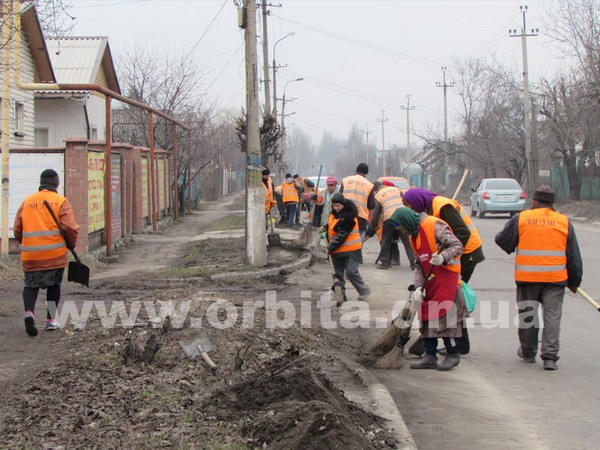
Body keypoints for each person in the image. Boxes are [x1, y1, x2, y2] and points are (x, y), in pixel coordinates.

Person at [495, 185, 582, 371]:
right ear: (553, 203)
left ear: (534, 201)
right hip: (556, 279)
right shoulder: (564, 222)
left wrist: (516, 242)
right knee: (552, 317)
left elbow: (502, 240)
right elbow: (573, 256)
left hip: (528, 278)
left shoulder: (522, 219)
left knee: (528, 315)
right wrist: (574, 282)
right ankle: (550, 358)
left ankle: (528, 352)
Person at [402, 187, 485, 355]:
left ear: (417, 202)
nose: (410, 210)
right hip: (450, 255)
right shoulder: (427, 210)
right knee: (445, 298)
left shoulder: (442, 206)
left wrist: (445, 255)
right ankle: (446, 341)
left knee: (453, 297)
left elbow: (462, 233)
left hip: (467, 252)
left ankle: (458, 345)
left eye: (409, 206)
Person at [390, 207, 467, 371]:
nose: (402, 231)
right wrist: (418, 286)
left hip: (446, 277)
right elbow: (418, 264)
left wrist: (443, 257)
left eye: (402, 227)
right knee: (426, 315)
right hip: (430, 279)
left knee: (445, 316)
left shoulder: (434, 225)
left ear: (407, 221)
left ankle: (453, 354)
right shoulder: (414, 236)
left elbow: (457, 245)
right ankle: (430, 355)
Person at [13, 169, 79, 336]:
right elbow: (70, 228)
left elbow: (17, 229)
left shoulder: (27, 202)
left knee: (30, 286)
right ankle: (50, 320)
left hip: (31, 255)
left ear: (41, 183)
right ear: (56, 184)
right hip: (54, 255)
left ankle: (29, 313)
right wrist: (71, 244)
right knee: (54, 286)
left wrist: (26, 243)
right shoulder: (60, 201)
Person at [322, 193, 371, 302]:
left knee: (350, 272)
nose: (336, 208)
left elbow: (342, 235)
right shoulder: (333, 214)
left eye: (338, 206)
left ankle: (364, 290)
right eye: (334, 206)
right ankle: (341, 295)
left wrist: (329, 247)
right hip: (336, 251)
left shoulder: (350, 218)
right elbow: (332, 226)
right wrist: (325, 228)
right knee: (338, 274)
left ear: (344, 204)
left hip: (351, 250)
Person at [367, 181, 416, 270]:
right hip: (402, 215)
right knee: (407, 240)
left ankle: (385, 263)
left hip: (390, 217)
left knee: (385, 239)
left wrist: (372, 227)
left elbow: (375, 214)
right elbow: (405, 201)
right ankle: (414, 263)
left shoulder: (378, 195)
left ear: (375, 189)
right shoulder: (397, 189)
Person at [340, 163, 375, 240]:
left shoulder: (345, 181)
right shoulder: (369, 185)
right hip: (361, 219)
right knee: (358, 243)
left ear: (356, 170)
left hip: (345, 216)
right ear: (366, 173)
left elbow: (339, 198)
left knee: (344, 240)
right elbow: (371, 205)